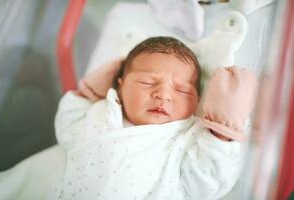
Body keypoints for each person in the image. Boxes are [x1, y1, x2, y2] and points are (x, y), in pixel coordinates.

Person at [49, 37, 257, 200]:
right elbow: (68, 126)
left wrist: (220, 132)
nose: (164, 95)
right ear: (120, 85)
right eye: (147, 82)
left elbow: (207, 184)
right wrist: (89, 93)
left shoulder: (187, 137)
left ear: (197, 101)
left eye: (182, 90)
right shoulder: (101, 114)